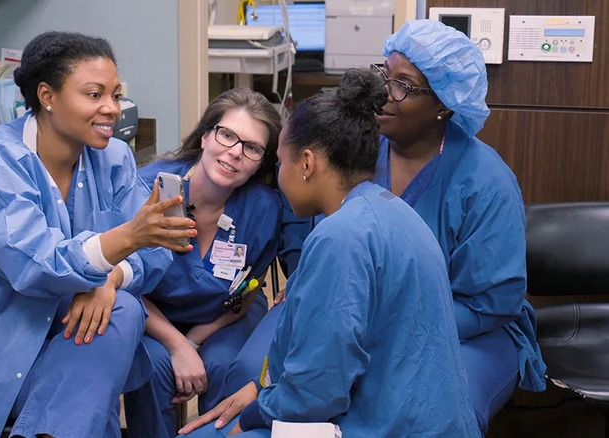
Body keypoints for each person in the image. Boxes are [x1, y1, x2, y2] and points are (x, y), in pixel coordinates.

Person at [226, 19, 547, 434]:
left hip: (462, 330)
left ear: (444, 104)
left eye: (404, 86)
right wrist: (309, 282)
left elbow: (492, 302)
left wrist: (372, 324)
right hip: (343, 308)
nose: (384, 94)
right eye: (385, 75)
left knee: (425, 405)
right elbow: (305, 212)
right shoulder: (357, 147)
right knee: (252, 371)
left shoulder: (485, 181)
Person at [0, 32, 194, 438]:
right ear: (47, 96)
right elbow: (40, 265)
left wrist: (112, 279)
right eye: (94, 94)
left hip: (59, 349)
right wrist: (129, 238)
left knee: (121, 310)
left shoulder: (113, 157)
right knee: (107, 355)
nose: (112, 109)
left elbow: (158, 254)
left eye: (116, 95)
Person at [179, 68, 480, 437]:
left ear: (306, 164)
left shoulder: (341, 237)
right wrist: (261, 390)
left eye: (281, 163)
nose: (280, 176)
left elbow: (317, 390)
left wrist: (255, 416)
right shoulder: (387, 211)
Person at [123, 88, 283, 438]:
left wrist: (195, 341)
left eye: (252, 148)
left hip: (224, 316)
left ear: (262, 162)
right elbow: (123, 284)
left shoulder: (263, 208)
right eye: (227, 135)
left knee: (224, 363)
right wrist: (178, 346)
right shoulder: (147, 190)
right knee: (153, 365)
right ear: (207, 134)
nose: (235, 153)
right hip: (152, 314)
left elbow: (248, 290)